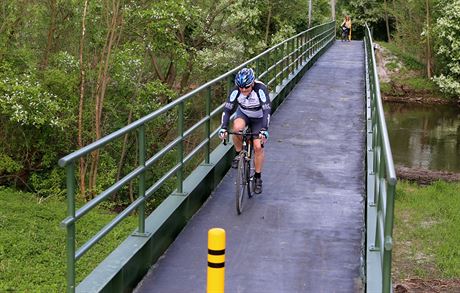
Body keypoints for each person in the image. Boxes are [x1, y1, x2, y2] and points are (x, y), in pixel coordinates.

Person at [219, 68, 271, 194]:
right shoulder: (236, 91)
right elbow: (227, 110)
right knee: (236, 129)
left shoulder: (260, 90)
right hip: (244, 114)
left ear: (252, 83)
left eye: (246, 87)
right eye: (240, 87)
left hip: (259, 117)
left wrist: (264, 129)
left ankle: (258, 177)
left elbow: (267, 111)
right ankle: (239, 154)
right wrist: (223, 128)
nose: (243, 90)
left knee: (258, 147)